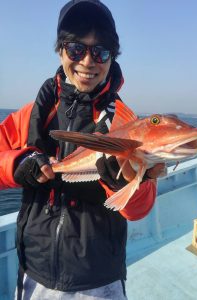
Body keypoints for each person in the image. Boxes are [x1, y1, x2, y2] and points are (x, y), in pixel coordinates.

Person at [0, 1, 165, 299]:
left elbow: (140, 208)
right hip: (33, 272)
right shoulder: (30, 116)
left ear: (111, 58)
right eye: (76, 49)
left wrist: (126, 182)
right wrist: (17, 163)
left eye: (100, 51)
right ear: (61, 50)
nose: (88, 61)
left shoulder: (125, 123)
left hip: (99, 278)